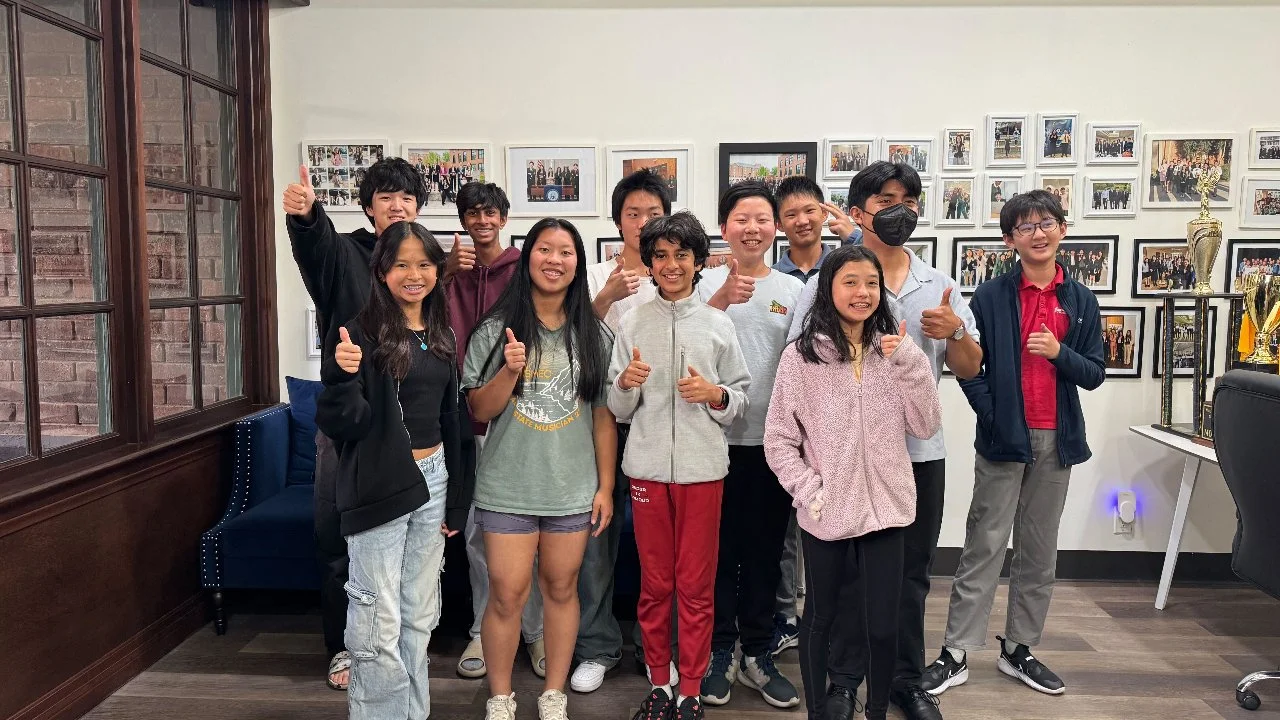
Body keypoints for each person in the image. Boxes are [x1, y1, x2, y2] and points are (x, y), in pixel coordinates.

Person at [786, 161, 982, 720]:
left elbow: (970, 367)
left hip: (917, 455)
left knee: (911, 575)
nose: (900, 209)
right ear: (857, 212)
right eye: (885, 199)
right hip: (845, 460)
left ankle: (904, 679)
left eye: (908, 199)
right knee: (847, 577)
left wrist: (957, 332)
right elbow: (803, 362)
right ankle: (846, 680)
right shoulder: (836, 276)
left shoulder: (938, 284)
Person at [922, 190, 1105, 699]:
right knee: (984, 543)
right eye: (1025, 227)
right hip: (1004, 439)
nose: (1038, 233)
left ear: (1062, 230)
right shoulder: (991, 297)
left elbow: (1093, 373)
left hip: (1058, 440)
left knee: (1039, 551)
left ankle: (1019, 648)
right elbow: (970, 367)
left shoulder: (1080, 299)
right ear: (1009, 240)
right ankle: (956, 651)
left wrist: (1059, 352)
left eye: (1047, 222)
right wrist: (993, 415)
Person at [767, 244, 942, 720]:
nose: (862, 293)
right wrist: (811, 491)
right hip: (825, 510)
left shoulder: (895, 352)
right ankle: (820, 709)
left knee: (883, 626)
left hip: (887, 508)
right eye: (850, 282)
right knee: (820, 618)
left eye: (871, 283)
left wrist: (909, 361)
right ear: (829, 288)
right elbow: (779, 441)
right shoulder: (801, 358)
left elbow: (925, 426)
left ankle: (878, 710)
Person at [314, 222, 477, 720]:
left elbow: (453, 418)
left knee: (418, 616)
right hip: (381, 485)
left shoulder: (442, 331)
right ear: (382, 270)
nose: (414, 274)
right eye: (401, 264)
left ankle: (412, 712)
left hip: (435, 481)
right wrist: (341, 376)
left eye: (424, 264)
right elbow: (344, 422)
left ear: (437, 270)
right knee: (376, 619)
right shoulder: (361, 331)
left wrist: (455, 500)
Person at [282, 156, 428, 691]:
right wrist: (307, 217)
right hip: (348, 417)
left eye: (406, 198)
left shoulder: (423, 263)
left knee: (410, 543)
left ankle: (400, 642)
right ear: (369, 208)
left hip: (411, 421)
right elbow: (315, 246)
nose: (397, 205)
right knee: (337, 533)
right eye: (386, 197)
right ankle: (343, 647)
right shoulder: (345, 253)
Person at [463, 218, 617, 720]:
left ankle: (554, 694)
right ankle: (500, 697)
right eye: (544, 249)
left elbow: (601, 419)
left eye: (566, 252)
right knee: (506, 594)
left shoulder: (594, 334)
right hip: (508, 485)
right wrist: (509, 369)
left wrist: (606, 487)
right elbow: (480, 412)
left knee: (562, 587)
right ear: (527, 257)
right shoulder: (494, 330)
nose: (555, 260)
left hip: (571, 487)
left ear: (578, 264)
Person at [610, 211, 750, 720]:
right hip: (646, 470)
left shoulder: (717, 323)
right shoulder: (632, 322)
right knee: (655, 584)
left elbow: (741, 401)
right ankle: (660, 682)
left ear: (697, 261)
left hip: (702, 473)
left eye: (681, 255)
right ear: (649, 262)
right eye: (661, 256)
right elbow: (617, 407)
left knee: (695, 584)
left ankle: (690, 688)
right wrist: (625, 383)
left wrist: (715, 396)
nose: (671, 265)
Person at [698, 181, 804, 710]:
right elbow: (686, 344)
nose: (753, 228)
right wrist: (718, 300)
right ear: (724, 228)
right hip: (709, 442)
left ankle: (759, 651)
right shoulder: (701, 285)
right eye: (742, 218)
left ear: (775, 228)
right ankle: (720, 650)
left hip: (770, 444)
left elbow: (805, 370)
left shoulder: (794, 291)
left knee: (765, 554)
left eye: (763, 218)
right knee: (717, 555)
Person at [444, 182, 548, 681]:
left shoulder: (521, 270)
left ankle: (534, 630)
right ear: (462, 220)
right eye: (472, 213)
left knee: (529, 532)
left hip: (518, 416)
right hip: (466, 418)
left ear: (504, 218)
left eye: (489, 212)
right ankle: (483, 630)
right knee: (479, 535)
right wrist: (445, 275)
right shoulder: (450, 273)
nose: (481, 221)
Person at [572, 169, 670, 695]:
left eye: (653, 214)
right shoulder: (595, 279)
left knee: (661, 548)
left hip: (660, 426)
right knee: (596, 538)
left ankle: (660, 650)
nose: (643, 223)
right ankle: (598, 646)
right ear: (617, 223)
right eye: (633, 214)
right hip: (602, 424)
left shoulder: (677, 277)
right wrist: (606, 296)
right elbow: (569, 338)